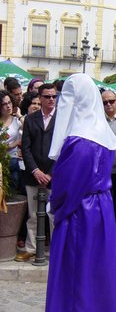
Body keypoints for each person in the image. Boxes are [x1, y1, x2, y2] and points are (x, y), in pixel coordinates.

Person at [43, 73, 116, 312]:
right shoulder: (102, 133)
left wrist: (55, 205)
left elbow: (69, 184)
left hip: (80, 212)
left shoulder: (80, 140)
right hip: (100, 209)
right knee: (97, 269)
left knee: (75, 270)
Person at [15, 83, 56, 262]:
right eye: (47, 97)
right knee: (33, 215)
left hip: (55, 176)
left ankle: (56, 249)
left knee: (54, 215)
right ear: (40, 98)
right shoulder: (30, 119)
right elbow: (26, 147)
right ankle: (31, 248)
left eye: (54, 96)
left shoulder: (62, 120)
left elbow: (64, 149)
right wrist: (36, 170)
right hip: (33, 175)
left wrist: (52, 173)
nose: (51, 100)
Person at [101, 89, 116, 257]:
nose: (109, 105)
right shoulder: (98, 120)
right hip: (103, 173)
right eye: (105, 102)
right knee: (106, 211)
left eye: (111, 101)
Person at [0, 91, 22, 192]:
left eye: (9, 103)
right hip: (1, 161)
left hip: (12, 160)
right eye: (4, 104)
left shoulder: (16, 121)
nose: (8, 106)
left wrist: (19, 115)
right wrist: (14, 144)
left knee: (12, 192)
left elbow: (31, 130)